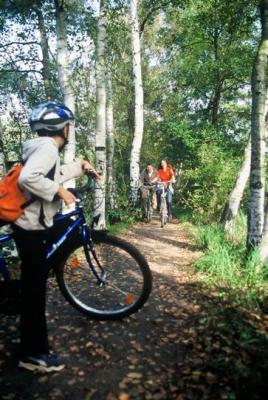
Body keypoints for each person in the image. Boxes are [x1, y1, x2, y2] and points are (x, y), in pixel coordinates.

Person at [12, 100, 99, 373]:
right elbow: (29, 179)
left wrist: (79, 166)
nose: (69, 129)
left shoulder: (42, 147)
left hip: (29, 223)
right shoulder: (48, 148)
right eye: (69, 125)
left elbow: (52, 173)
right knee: (34, 292)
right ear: (61, 128)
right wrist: (61, 192)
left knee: (35, 279)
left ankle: (41, 279)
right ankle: (33, 355)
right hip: (30, 227)